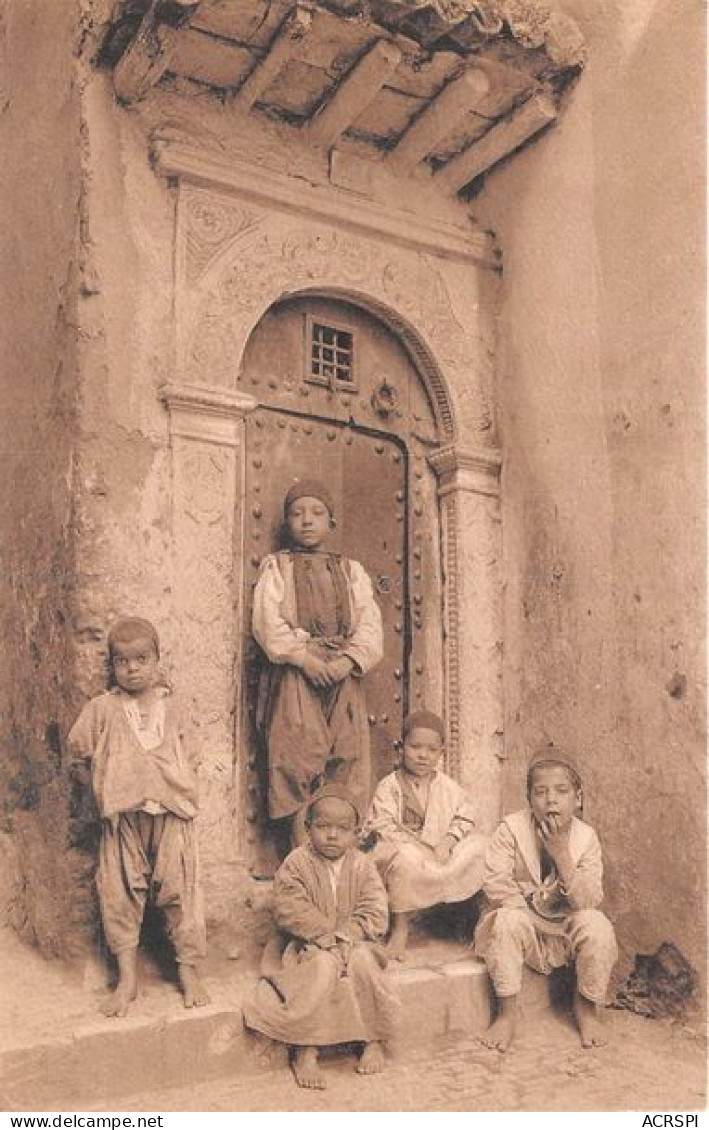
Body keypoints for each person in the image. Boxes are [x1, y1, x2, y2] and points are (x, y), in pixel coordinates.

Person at [67, 617, 209, 1017]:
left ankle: (189, 972)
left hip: (171, 817)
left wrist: (172, 787)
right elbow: (78, 753)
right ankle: (127, 978)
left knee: (181, 891)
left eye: (141, 659)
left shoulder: (174, 707)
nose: (132, 668)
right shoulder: (102, 709)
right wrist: (102, 791)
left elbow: (192, 755)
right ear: (111, 666)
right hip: (123, 819)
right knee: (119, 892)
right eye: (121, 661)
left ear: (157, 660)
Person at [252, 479, 383, 849]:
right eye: (297, 513)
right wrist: (302, 659)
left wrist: (348, 661)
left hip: (343, 675)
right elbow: (267, 623)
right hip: (298, 674)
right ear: (287, 522)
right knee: (296, 758)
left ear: (331, 522)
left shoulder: (350, 570)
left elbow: (369, 624)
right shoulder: (278, 567)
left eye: (317, 513)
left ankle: (341, 858)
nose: (307, 521)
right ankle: (300, 857)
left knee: (345, 755)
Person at [242, 785, 398, 1090]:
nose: (332, 836)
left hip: (355, 943)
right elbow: (289, 907)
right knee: (323, 966)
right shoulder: (296, 862)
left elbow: (374, 908)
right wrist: (324, 935)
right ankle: (305, 1047)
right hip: (306, 944)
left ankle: (371, 1039)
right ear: (307, 828)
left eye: (343, 829)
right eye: (323, 827)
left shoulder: (363, 865)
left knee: (364, 963)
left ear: (356, 834)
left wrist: (348, 936)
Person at [475, 746, 618, 1050]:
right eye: (540, 792)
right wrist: (531, 910)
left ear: (577, 799)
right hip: (524, 928)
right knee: (505, 920)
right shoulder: (510, 829)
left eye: (561, 791)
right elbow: (496, 882)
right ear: (529, 800)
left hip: (563, 933)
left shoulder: (586, 837)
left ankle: (585, 1008)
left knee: (598, 925)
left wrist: (562, 856)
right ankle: (507, 1014)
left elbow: (589, 900)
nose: (551, 799)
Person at [362, 710, 488, 958]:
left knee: (480, 848)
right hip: (405, 853)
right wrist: (420, 849)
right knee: (403, 858)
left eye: (431, 750)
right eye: (415, 746)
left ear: (441, 752)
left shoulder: (447, 786)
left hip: (440, 853)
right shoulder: (390, 786)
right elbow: (382, 826)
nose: (422, 755)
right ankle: (400, 929)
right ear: (402, 748)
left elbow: (465, 814)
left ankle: (471, 921)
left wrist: (448, 842)